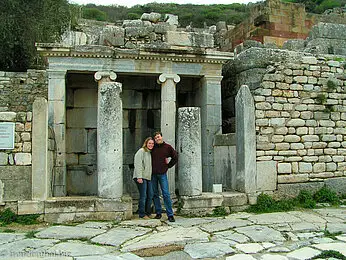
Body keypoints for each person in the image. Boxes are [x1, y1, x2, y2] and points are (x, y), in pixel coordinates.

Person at [151, 131, 178, 222]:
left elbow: (175, 157)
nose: (157, 139)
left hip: (162, 173)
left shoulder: (168, 147)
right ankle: (158, 212)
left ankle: (170, 214)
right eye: (155, 138)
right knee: (155, 194)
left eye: (158, 137)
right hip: (152, 174)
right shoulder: (152, 147)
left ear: (161, 137)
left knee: (166, 194)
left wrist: (168, 165)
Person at [133, 137, 154, 219]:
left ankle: (148, 212)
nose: (151, 145)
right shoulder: (141, 151)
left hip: (148, 177)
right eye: (149, 143)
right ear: (146, 143)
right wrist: (139, 177)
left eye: (152, 143)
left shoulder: (149, 153)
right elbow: (138, 164)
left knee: (150, 195)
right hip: (140, 177)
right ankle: (142, 214)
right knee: (143, 195)